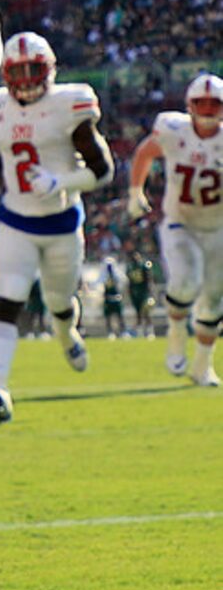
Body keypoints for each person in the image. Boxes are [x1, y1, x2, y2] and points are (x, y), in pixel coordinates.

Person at [0, 32, 113, 423]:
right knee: (7, 298)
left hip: (63, 223)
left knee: (59, 303)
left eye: (34, 70)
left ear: (50, 71)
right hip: (15, 220)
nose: (27, 80)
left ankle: (66, 334)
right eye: (19, 71)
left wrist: (60, 182)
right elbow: (0, 160)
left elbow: (103, 170)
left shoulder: (69, 104)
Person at [126, 71, 223, 387]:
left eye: (214, 105)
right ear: (189, 105)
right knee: (184, 281)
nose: (208, 111)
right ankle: (177, 335)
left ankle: (202, 367)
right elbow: (145, 152)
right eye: (202, 104)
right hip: (180, 222)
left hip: (218, 228)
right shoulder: (172, 129)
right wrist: (135, 191)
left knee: (213, 301)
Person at [127, 248, 155, 336]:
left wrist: (150, 291)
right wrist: (130, 292)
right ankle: (140, 331)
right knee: (138, 312)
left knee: (146, 311)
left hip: (144, 291)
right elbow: (130, 281)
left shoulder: (144, 266)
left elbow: (149, 279)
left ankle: (150, 330)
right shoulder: (130, 267)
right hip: (135, 293)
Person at [99, 258, 126, 338]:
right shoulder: (104, 274)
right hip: (108, 298)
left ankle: (123, 331)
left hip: (116, 298)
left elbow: (123, 281)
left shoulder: (117, 274)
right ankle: (110, 332)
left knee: (120, 316)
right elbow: (98, 283)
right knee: (108, 317)